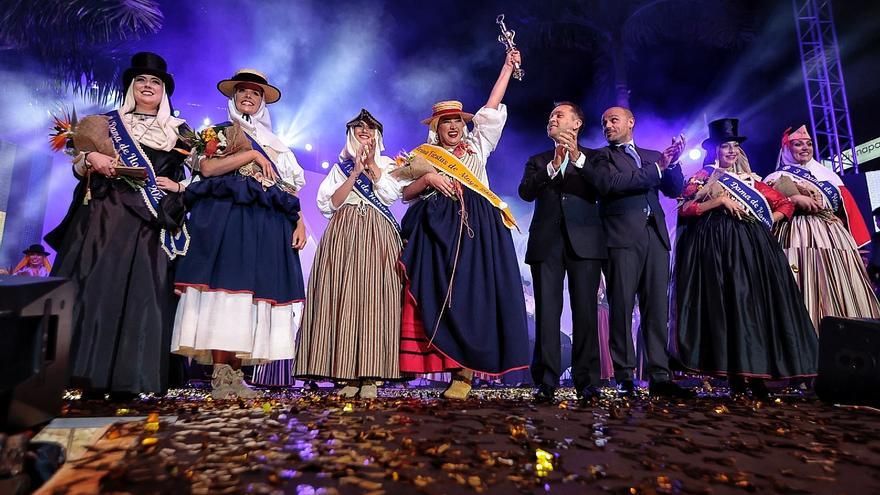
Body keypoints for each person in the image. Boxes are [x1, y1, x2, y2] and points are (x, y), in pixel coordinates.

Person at [45, 52, 190, 398]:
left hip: (147, 223)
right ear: (131, 87)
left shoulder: (180, 133)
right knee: (96, 288)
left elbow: (198, 176)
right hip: (103, 216)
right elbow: (79, 165)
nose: (147, 86)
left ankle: (130, 378)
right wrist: (90, 157)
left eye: (155, 81)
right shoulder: (106, 123)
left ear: (164, 90)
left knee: (141, 294)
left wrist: (181, 187)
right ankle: (83, 374)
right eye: (140, 80)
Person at [398, 49, 529, 399]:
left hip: (478, 226)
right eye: (446, 121)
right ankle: (436, 365)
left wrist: (505, 68)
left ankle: (465, 374)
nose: (453, 126)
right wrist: (429, 181)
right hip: (435, 228)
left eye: (457, 120)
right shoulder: (423, 157)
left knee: (473, 296)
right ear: (436, 128)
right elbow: (404, 193)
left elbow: (491, 108)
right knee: (438, 294)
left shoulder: (478, 147)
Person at [171, 69, 307, 400]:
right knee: (226, 289)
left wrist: (300, 221)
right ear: (234, 98)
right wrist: (251, 155)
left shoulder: (278, 146)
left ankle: (235, 375)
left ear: (263, 101)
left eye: (255, 93)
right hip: (227, 217)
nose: (249, 96)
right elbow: (207, 169)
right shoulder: (217, 132)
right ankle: (220, 374)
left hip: (265, 221)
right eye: (243, 91)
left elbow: (286, 187)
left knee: (251, 294)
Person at [674, 118, 819, 398]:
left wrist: (768, 221)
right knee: (729, 305)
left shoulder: (752, 181)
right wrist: (719, 202)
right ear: (714, 149)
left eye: (734, 147)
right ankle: (735, 375)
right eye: (725, 146)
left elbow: (785, 204)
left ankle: (758, 374)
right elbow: (685, 209)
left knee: (756, 306)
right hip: (717, 248)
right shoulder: (703, 176)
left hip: (754, 249)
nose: (730, 151)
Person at [293, 109, 406, 398]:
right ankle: (345, 373)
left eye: (369, 128)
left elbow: (392, 195)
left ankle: (372, 374)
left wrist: (372, 168)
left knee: (375, 301)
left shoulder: (387, 163)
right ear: (350, 133)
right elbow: (328, 204)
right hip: (343, 233)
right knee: (340, 298)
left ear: (377, 135)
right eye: (359, 127)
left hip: (377, 233)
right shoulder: (339, 167)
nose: (364, 131)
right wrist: (355, 172)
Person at [591, 106, 691, 398]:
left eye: (614, 120)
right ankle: (625, 376)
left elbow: (674, 189)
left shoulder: (651, 156)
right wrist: (659, 166)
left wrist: (673, 164)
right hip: (621, 239)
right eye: (604, 122)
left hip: (655, 237)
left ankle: (660, 375)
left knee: (656, 309)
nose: (608, 125)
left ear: (631, 122)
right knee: (621, 307)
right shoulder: (601, 158)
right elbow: (612, 185)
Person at [518, 102, 605, 405]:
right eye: (551, 115)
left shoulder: (595, 157)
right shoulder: (538, 160)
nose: (552, 118)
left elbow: (604, 187)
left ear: (577, 124)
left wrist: (577, 159)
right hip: (547, 243)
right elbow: (526, 192)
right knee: (546, 313)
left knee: (585, 314)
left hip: (586, 243)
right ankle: (545, 381)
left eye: (559, 115)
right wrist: (553, 165)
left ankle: (588, 382)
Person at [763, 125, 880, 329]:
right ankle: (806, 330)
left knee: (840, 286)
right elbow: (771, 206)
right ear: (787, 150)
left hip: (833, 237)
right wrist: (793, 198)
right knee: (803, 281)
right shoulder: (775, 177)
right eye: (798, 144)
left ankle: (847, 331)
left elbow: (845, 212)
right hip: (796, 235)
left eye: (808, 144)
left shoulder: (828, 177)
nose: (805, 148)